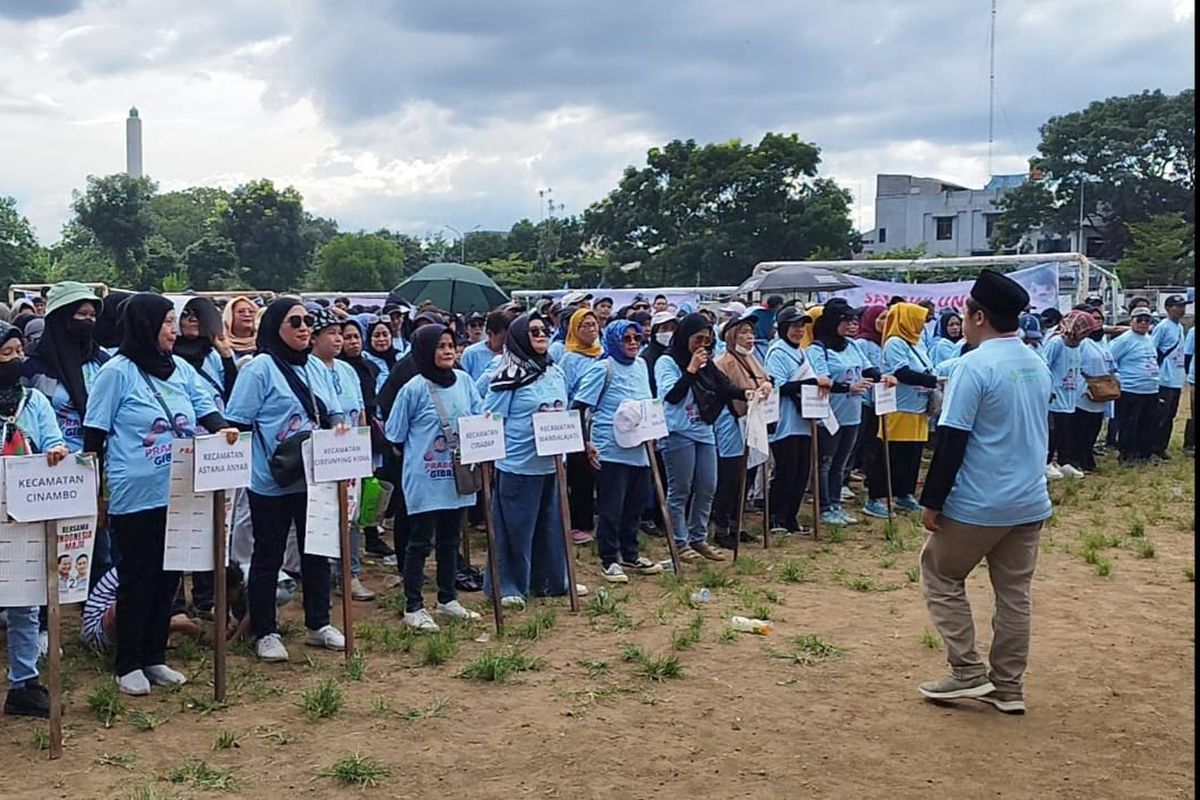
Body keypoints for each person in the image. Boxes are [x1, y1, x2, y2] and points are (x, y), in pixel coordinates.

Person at [82, 294, 238, 695]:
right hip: (135, 494)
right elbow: (95, 435)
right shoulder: (116, 372)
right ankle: (127, 663)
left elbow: (206, 409)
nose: (173, 330)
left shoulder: (181, 369)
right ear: (144, 326)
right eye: (167, 322)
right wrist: (96, 497)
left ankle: (154, 657)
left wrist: (224, 430)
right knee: (138, 577)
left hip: (181, 489)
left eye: (174, 322)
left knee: (169, 577)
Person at [916, 269, 1052, 715]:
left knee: (940, 572)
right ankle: (1009, 686)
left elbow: (952, 438)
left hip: (980, 501)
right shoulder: (1035, 361)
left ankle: (967, 670)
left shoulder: (974, 365)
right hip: (1029, 499)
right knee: (1014, 593)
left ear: (977, 316)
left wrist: (932, 501)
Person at [223, 297, 347, 663]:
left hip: (313, 476)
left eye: (308, 321)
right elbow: (240, 422)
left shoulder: (315, 366)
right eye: (295, 322)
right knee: (268, 555)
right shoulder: (258, 368)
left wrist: (339, 429)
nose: (305, 328)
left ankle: (318, 623)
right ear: (275, 326)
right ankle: (266, 630)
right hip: (271, 480)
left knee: (317, 551)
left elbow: (334, 409)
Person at [481, 314, 588, 607]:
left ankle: (551, 581)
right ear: (518, 337)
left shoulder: (555, 371)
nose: (541, 335)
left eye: (544, 330)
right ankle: (509, 587)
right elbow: (490, 418)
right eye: (533, 331)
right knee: (516, 529)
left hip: (552, 464)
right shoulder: (506, 377)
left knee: (551, 526)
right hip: (518, 465)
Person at [384, 324, 483, 631]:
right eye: (440, 346)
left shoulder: (465, 381)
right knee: (419, 542)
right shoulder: (413, 388)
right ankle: (413, 606)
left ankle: (447, 599)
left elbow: (478, 417)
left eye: (451, 345)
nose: (448, 351)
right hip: (425, 478)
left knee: (450, 538)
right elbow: (395, 434)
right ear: (426, 351)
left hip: (457, 477)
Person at [0, 322, 70, 718]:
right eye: (6, 354)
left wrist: (57, 452)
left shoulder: (34, 401)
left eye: (17, 352)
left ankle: (23, 683)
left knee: (25, 603)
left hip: (25, 514)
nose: (15, 361)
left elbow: (53, 440)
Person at [572, 320, 665, 582]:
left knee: (634, 505)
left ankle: (631, 553)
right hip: (610, 449)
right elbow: (579, 406)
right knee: (611, 507)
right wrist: (585, 443)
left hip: (640, 448)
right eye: (627, 339)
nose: (633, 343)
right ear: (614, 340)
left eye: (637, 338)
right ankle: (609, 559)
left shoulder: (642, 365)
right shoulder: (603, 368)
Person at [656, 312, 744, 561]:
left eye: (706, 340)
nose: (701, 345)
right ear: (685, 337)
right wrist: (692, 369)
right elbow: (671, 395)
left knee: (707, 486)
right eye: (697, 339)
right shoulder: (668, 362)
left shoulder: (708, 361)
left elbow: (724, 386)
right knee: (680, 488)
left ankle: (698, 537)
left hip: (704, 430)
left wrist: (747, 392)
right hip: (678, 431)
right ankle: (679, 542)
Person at [309, 310, 376, 602]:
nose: (338, 339)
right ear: (315, 338)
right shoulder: (308, 368)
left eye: (341, 333)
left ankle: (350, 574)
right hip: (322, 455)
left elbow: (360, 412)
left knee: (351, 516)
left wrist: (364, 452)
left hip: (350, 453)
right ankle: (319, 575)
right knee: (322, 516)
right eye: (331, 333)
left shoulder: (347, 370)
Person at [808, 300, 891, 525]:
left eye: (853, 320)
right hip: (830, 413)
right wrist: (848, 387)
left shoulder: (851, 346)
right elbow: (821, 379)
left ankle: (836, 503)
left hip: (852, 412)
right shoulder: (818, 349)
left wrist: (883, 377)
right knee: (825, 461)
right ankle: (824, 506)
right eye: (846, 320)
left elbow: (867, 369)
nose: (851, 325)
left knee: (841, 462)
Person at [864, 302, 937, 518]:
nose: (923, 325)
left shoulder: (918, 343)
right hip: (899, 406)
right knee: (891, 453)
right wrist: (933, 380)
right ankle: (876, 497)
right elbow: (902, 372)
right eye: (919, 319)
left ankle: (904, 493)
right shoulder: (895, 342)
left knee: (912, 454)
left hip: (919, 406)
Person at [711, 316, 772, 548]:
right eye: (744, 332)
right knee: (730, 475)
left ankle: (737, 524)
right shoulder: (723, 362)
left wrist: (766, 385)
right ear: (731, 335)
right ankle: (722, 527)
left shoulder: (752, 358)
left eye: (751, 332)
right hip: (731, 421)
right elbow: (726, 391)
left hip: (751, 421)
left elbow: (764, 378)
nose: (749, 337)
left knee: (747, 473)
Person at [560, 308, 602, 545]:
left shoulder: (602, 353)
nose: (590, 329)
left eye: (593, 324)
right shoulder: (570, 358)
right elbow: (566, 392)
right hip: (577, 417)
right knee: (580, 473)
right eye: (584, 325)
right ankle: (579, 523)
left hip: (599, 418)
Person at [1108, 306, 1161, 465]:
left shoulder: (1149, 339)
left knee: (1148, 423)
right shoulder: (1124, 340)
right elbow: (1110, 359)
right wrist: (1117, 376)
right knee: (1129, 424)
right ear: (1131, 321)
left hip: (1150, 389)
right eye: (1139, 320)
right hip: (1130, 389)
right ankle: (1127, 454)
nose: (1143, 323)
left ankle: (1144, 453)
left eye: (1147, 320)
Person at [1039, 309, 1086, 480]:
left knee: (1066, 430)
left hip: (1070, 396)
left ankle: (1064, 461)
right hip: (1055, 396)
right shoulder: (1056, 343)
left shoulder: (1078, 346)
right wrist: (1048, 390)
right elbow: (1045, 366)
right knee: (1053, 431)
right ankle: (1046, 463)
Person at [1065, 311, 1112, 474]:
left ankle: (1087, 456)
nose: (1096, 323)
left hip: (1102, 391)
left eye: (1099, 319)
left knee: (1094, 427)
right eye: (1093, 319)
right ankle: (1076, 458)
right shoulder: (1081, 343)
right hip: (1084, 390)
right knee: (1081, 427)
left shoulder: (1102, 343)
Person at [1151, 295, 1188, 459]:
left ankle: (1161, 447)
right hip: (1163, 378)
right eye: (1177, 306)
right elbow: (1153, 348)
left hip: (1176, 378)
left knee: (1170, 415)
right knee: (1159, 415)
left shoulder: (1179, 327)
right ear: (1168, 308)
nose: (1181, 309)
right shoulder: (1163, 327)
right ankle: (1152, 447)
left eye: (1183, 306)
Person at [461, 309, 512, 381]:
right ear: (490, 333)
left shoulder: (513, 354)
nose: (506, 342)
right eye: (503, 339)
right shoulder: (471, 353)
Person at [363, 318, 400, 395]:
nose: (381, 339)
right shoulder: (364, 359)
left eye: (385, 334)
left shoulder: (400, 358)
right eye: (376, 335)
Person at [222, 296, 260, 361]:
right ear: (229, 317)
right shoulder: (220, 346)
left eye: (251, 312)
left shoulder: (265, 344)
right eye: (241, 312)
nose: (247, 314)